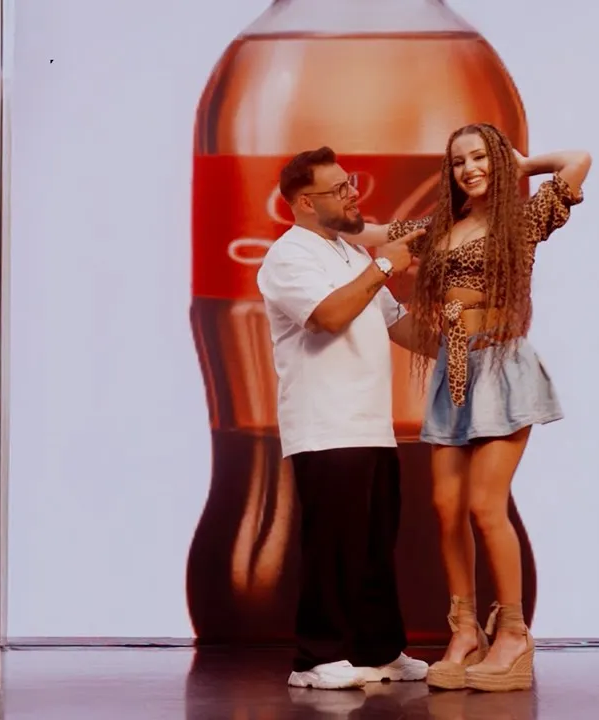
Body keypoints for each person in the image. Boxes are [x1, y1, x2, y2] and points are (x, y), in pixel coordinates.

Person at [353, 123, 591, 692]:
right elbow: (374, 232)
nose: (470, 169)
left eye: (481, 157)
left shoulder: (522, 220)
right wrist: (325, 220)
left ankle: (513, 634)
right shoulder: (438, 227)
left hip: (502, 365)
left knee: (486, 505)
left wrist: (521, 165)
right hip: (453, 372)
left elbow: (578, 160)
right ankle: (464, 631)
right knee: (446, 507)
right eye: (459, 161)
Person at [256, 146, 434, 690]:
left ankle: (379, 650)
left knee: (375, 546)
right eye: (339, 188)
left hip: (371, 425)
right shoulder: (289, 256)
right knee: (333, 546)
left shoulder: (351, 254)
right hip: (324, 427)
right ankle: (315, 659)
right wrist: (386, 266)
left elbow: (399, 326)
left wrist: (471, 336)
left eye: (350, 182)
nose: (353, 193)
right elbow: (328, 316)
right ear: (305, 202)